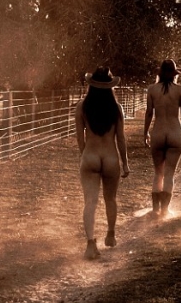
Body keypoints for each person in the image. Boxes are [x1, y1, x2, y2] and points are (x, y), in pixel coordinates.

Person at [75, 66, 131, 259]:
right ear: (110, 87)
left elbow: (80, 138)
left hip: (90, 155)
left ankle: (91, 243)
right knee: (110, 199)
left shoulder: (82, 106)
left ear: (91, 85)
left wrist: (85, 155)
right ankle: (111, 235)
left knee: (90, 201)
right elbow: (121, 139)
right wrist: (125, 163)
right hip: (110, 157)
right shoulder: (116, 108)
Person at [144, 59, 181, 217]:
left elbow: (149, 113)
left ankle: (154, 209)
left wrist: (145, 132)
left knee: (158, 173)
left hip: (158, 132)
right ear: (174, 74)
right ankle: (165, 210)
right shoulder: (179, 90)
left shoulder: (152, 89)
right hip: (175, 132)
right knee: (170, 174)